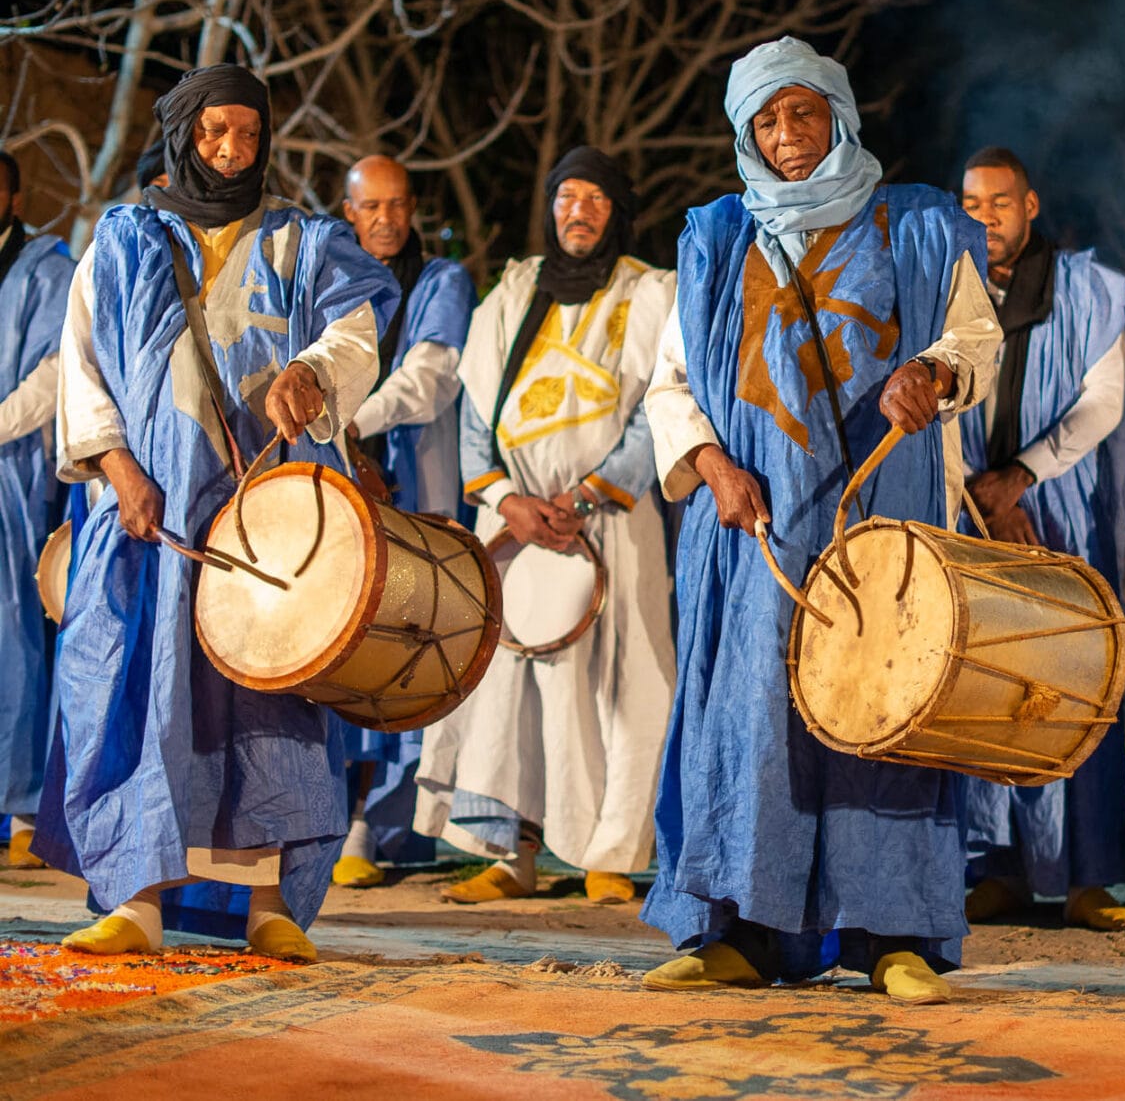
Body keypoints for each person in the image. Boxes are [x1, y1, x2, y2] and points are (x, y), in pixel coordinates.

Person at [641, 37, 999, 1004]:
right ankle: (743, 934)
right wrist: (707, 461)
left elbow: (975, 338)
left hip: (883, 515)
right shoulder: (717, 237)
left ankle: (896, 937)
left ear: (839, 118)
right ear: (746, 133)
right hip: (755, 522)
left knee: (884, 707)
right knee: (754, 715)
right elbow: (669, 382)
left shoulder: (918, 222)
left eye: (806, 114)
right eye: (769, 120)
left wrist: (934, 373)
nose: (790, 136)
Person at [35, 64, 394, 962]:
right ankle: (136, 903)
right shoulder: (122, 238)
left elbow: (357, 331)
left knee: (272, 699)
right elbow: (81, 365)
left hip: (269, 521)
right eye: (212, 133)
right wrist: (119, 469)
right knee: (141, 693)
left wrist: (311, 371)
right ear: (182, 135)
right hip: (152, 520)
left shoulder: (304, 240)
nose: (232, 150)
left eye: (246, 133)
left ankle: (272, 905)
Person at [413, 146, 676, 908]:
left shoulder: (651, 293)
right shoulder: (515, 290)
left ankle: (610, 856)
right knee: (510, 693)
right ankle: (511, 854)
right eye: (567, 197)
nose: (578, 211)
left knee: (619, 689)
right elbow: (476, 412)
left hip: (611, 527)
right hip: (519, 526)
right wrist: (505, 501)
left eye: (594, 199)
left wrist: (589, 495)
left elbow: (662, 403)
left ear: (616, 212)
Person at [955, 146, 1125, 932]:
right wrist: (981, 491)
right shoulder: (944, 290)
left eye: (999, 203)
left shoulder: (1090, 291)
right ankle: (996, 867)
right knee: (982, 683)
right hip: (969, 510)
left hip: (1056, 508)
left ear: (1030, 206)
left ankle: (1087, 877)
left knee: (1074, 678)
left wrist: (1023, 478)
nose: (986, 218)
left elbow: (1100, 405)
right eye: (971, 204)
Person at [330, 154, 476, 888]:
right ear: (347, 210)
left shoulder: (441, 281)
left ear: (413, 208)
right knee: (342, 649)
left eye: (397, 205)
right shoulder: (328, 281)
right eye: (370, 207)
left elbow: (430, 377)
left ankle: (379, 824)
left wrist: (351, 419)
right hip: (343, 496)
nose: (386, 220)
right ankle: (336, 817)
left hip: (414, 498)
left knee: (405, 655)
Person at [0, 150, 76, 869]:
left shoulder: (47, 268)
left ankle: (24, 812)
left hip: (12, 476)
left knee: (15, 642)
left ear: (14, 197)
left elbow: (54, 372)